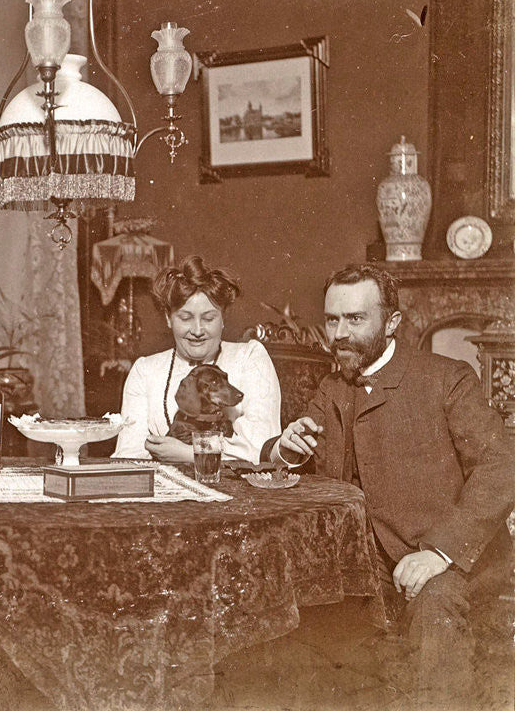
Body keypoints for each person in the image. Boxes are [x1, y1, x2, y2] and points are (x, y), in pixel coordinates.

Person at [263, 263, 515, 705]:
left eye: (355, 319)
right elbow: (295, 454)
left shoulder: (445, 378)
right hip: (367, 564)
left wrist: (440, 552)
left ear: (392, 322)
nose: (339, 333)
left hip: (451, 559)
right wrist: (285, 447)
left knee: (435, 606)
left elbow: (503, 464)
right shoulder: (332, 387)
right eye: (332, 319)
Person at [112, 255, 281, 465]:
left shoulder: (250, 358)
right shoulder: (145, 371)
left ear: (222, 318)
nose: (198, 330)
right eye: (185, 318)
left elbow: (262, 445)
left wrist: (190, 454)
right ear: (168, 317)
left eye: (209, 318)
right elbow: (130, 455)